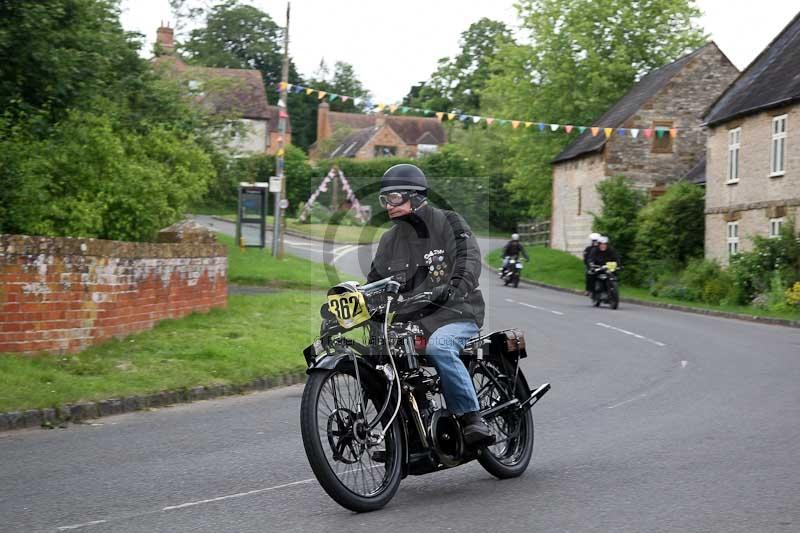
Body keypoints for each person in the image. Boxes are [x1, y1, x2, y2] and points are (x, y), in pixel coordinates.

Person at [367, 164, 493, 447]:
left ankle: (471, 417)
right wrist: (354, 303)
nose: (388, 205)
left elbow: (468, 260)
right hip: (412, 323)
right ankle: (403, 438)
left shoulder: (448, 222)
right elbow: (374, 283)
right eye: (384, 199)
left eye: (395, 197)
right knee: (379, 362)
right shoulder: (389, 240)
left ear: (416, 196)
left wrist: (452, 288)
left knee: (440, 347)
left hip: (457, 314)